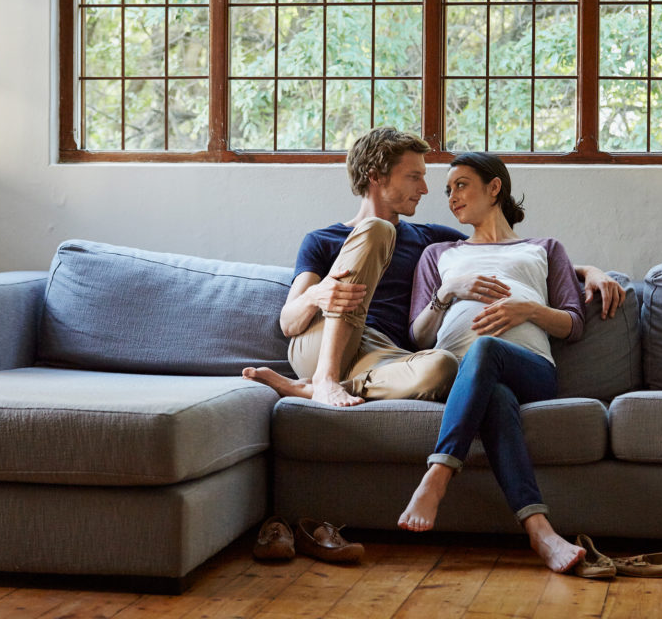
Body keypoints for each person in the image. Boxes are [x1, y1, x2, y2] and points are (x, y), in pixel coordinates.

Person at [243, 128, 625, 409]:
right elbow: (289, 323)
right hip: (322, 344)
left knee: (444, 365)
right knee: (376, 229)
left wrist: (588, 270)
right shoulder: (322, 240)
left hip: (383, 358)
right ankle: (324, 380)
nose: (426, 189)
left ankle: (314, 388)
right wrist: (316, 294)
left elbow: (505, 255)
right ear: (376, 177)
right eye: (415, 176)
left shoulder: (432, 240)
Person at [397, 151, 591, 573]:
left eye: (461, 184)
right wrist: (449, 292)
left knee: (485, 348)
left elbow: (573, 324)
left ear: (495, 187)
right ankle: (541, 533)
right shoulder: (439, 255)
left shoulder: (543, 249)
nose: (451, 197)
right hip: (459, 377)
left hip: (532, 369)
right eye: (447, 190)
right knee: (496, 398)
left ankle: (437, 475)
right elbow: (418, 336)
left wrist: (527, 310)